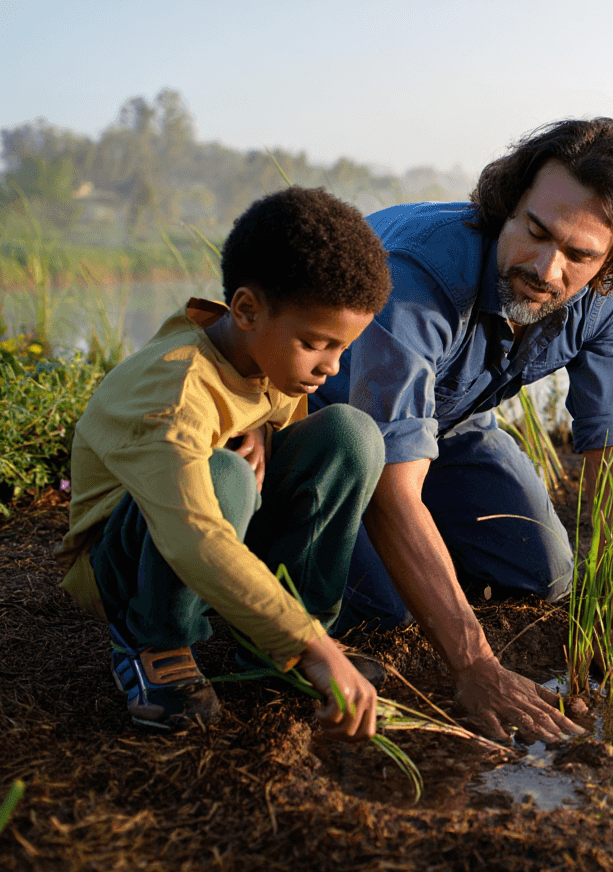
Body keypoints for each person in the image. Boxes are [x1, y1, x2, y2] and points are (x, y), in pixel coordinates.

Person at [310, 118, 613, 743]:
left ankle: (418, 556)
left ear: (609, 263)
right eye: (536, 232)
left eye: (579, 256)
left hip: (452, 425)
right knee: (386, 609)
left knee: (547, 574)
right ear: (508, 206)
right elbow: (389, 479)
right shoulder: (419, 274)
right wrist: (475, 662)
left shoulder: (608, 297)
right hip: (330, 432)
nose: (546, 267)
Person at [55, 187, 391, 741]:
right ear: (246, 309)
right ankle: (153, 640)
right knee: (226, 477)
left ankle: (276, 637)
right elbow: (195, 536)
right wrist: (316, 649)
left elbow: (265, 404)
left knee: (350, 435)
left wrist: (256, 425)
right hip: (126, 555)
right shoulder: (175, 391)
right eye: (316, 344)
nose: (331, 366)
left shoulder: (259, 350)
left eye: (342, 348)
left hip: (214, 519)